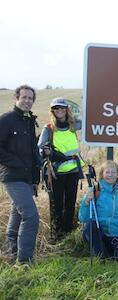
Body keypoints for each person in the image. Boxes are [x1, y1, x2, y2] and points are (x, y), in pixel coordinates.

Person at [0, 85, 40, 263]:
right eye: (24, 97)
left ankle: (10, 251)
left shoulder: (29, 121)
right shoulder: (6, 119)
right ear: (16, 98)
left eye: (30, 98)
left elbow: (32, 152)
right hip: (12, 176)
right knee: (30, 215)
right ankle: (24, 261)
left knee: (17, 212)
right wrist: (16, 164)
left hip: (26, 178)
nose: (27, 101)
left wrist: (35, 177)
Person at [37, 97, 85, 243]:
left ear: (66, 109)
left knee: (70, 203)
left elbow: (90, 122)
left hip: (72, 172)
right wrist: (51, 153)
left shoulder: (73, 125)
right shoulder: (49, 128)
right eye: (56, 108)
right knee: (56, 205)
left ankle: (68, 233)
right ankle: (56, 235)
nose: (59, 110)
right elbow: (41, 149)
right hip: (55, 173)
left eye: (62, 108)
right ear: (52, 111)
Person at [79, 160, 118, 259]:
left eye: (113, 172)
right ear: (102, 174)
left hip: (116, 234)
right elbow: (83, 218)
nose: (110, 175)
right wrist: (86, 202)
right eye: (107, 172)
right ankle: (100, 257)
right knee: (91, 226)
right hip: (99, 233)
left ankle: (108, 253)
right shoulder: (95, 190)